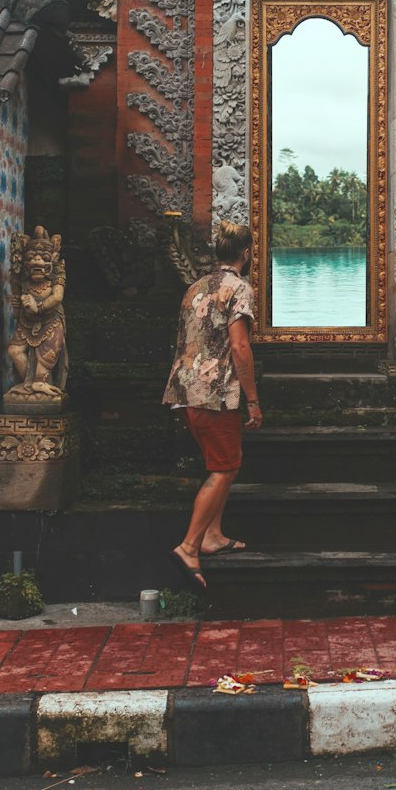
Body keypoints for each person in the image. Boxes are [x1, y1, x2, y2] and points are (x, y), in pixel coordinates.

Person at [163, 219, 263, 588]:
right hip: (217, 395)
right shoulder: (239, 288)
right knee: (223, 469)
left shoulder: (195, 287)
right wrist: (252, 400)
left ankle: (212, 536)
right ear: (247, 253)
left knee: (224, 465)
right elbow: (239, 347)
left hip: (186, 393)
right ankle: (189, 545)